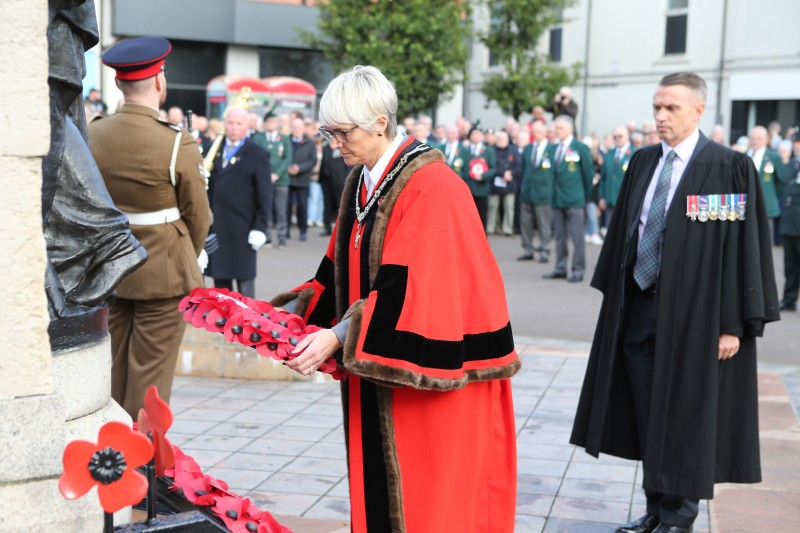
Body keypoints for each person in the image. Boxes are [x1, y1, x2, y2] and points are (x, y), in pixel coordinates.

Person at [271, 65, 519, 533]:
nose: (334, 143)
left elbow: (409, 289)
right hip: (381, 363)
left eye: (342, 132)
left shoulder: (433, 186)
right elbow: (336, 268)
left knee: (431, 503)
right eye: (328, 132)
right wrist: (285, 317)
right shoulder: (364, 178)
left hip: (433, 378)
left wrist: (336, 337)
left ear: (380, 123)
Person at [570, 72, 780, 533]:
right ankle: (655, 509)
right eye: (657, 108)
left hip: (697, 319)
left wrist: (732, 323)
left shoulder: (726, 168)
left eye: (672, 109)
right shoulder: (643, 163)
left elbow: (735, 249)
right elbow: (627, 232)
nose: (661, 117)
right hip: (641, 309)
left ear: (698, 110)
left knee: (685, 417)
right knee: (648, 415)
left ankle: (679, 518)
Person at [88, 37, 211, 417]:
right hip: (165, 272)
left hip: (111, 268)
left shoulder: (93, 133)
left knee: (113, 370)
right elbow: (199, 216)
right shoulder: (176, 141)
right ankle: (143, 467)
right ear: (159, 81)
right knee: (151, 377)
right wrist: (186, 257)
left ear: (119, 83)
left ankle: (109, 455)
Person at [206, 106, 272, 298]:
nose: (234, 127)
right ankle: (222, 326)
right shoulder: (213, 149)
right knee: (221, 286)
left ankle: (247, 325)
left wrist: (260, 227)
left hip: (244, 228)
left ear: (247, 126)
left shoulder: (257, 153)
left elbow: (265, 194)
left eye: (239, 123)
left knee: (245, 289)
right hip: (217, 227)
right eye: (230, 123)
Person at [543, 116, 593, 282]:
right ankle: (560, 267)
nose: (557, 131)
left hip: (575, 199)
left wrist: (584, 197)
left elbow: (588, 175)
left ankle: (578, 269)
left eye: (560, 128)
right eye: (556, 128)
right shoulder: (553, 148)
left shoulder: (579, 148)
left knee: (577, 236)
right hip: (557, 200)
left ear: (570, 129)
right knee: (560, 236)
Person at [251, 111, 293, 248]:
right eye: (269, 122)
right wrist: (266, 174)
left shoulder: (284, 138)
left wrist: (277, 174)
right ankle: (266, 236)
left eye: (274, 122)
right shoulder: (258, 138)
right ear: (264, 124)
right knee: (265, 208)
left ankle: (281, 237)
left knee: (281, 210)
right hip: (263, 179)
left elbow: (287, 158)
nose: (271, 124)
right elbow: (256, 156)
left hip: (281, 180)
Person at [518, 121, 557, 262]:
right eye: (534, 131)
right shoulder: (527, 149)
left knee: (544, 224)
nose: (537, 133)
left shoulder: (552, 149)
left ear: (545, 132)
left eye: (539, 131)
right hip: (527, 191)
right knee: (526, 223)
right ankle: (527, 249)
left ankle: (545, 249)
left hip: (543, 193)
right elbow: (522, 169)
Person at [748, 125, 785, 245]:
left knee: (765, 241)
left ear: (765, 140)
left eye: (758, 139)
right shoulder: (744, 156)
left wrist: (772, 196)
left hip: (766, 205)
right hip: (746, 205)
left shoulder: (773, 157)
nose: (755, 141)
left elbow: (781, 181)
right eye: (753, 138)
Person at [287, 117, 318, 241]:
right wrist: (289, 167)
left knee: (302, 206)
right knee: (286, 206)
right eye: (294, 127)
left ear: (303, 129)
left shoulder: (310, 143)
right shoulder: (287, 140)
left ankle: (303, 230)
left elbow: (312, 160)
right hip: (288, 179)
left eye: (299, 127)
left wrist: (299, 168)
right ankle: (286, 230)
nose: (296, 130)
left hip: (302, 179)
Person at [486, 131, 521, 235]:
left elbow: (518, 166)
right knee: (492, 206)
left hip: (510, 183)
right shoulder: (492, 150)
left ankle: (507, 229)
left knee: (509, 207)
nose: (501, 141)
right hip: (495, 182)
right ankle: (491, 228)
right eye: (499, 139)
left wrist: (511, 173)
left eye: (503, 139)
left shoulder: (513, 150)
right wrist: (502, 174)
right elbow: (491, 165)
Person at [600, 126, 635, 223]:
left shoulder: (635, 153)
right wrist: (602, 197)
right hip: (610, 199)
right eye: (615, 137)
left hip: (626, 201)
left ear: (627, 136)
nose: (617, 139)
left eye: (620, 136)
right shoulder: (609, 153)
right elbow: (603, 177)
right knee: (610, 232)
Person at [463, 127, 496, 229]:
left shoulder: (488, 151)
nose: (475, 136)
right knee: (468, 217)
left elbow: (493, 169)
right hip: (468, 187)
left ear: (482, 136)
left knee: (482, 216)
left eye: (478, 134)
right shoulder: (466, 150)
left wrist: (482, 176)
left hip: (482, 188)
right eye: (473, 134)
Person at [780, 137, 800, 311]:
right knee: (790, 264)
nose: (797, 145)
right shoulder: (792, 163)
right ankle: (789, 298)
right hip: (790, 222)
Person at [319, 137, 351, 237]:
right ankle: (327, 228)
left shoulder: (341, 147)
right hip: (326, 180)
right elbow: (323, 163)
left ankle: (340, 230)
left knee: (339, 205)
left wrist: (346, 179)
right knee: (326, 205)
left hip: (339, 181)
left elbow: (347, 165)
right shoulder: (326, 147)